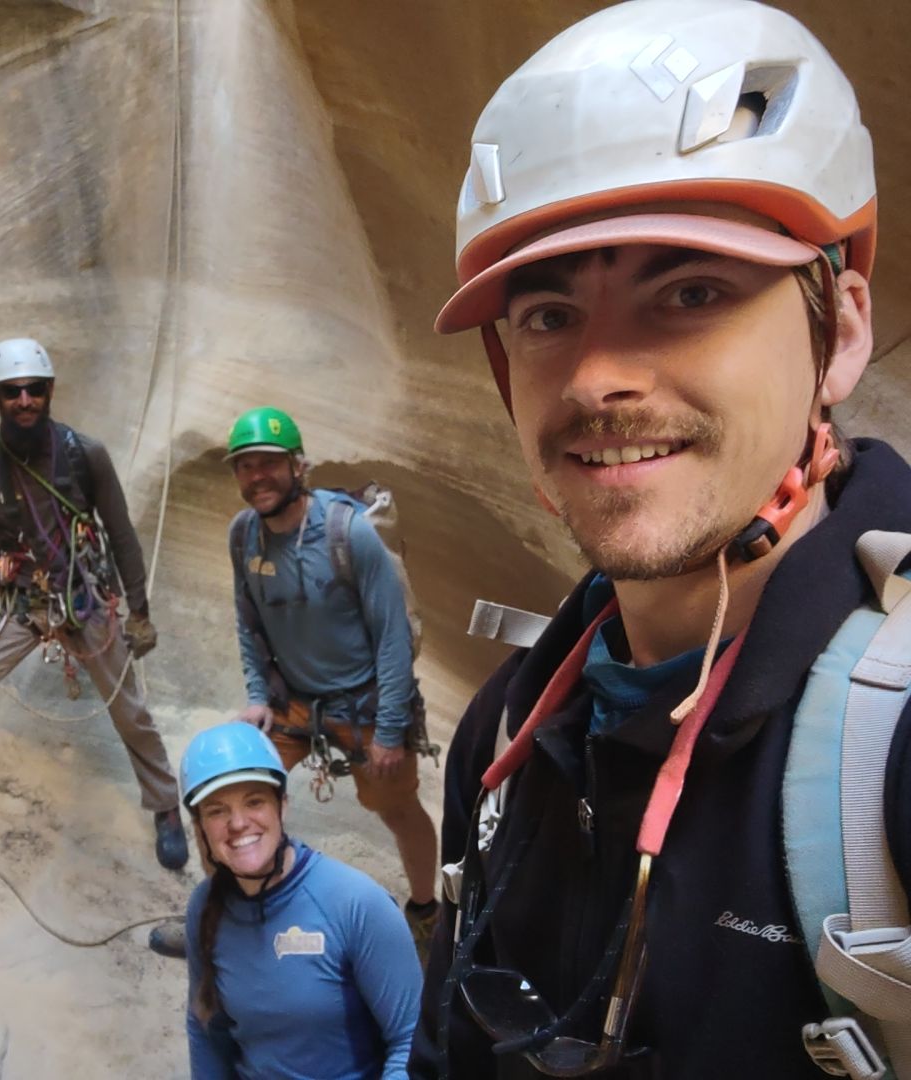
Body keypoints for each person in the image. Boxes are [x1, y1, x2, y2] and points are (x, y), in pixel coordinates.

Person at [408, 2, 911, 1078]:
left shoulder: (889, 752)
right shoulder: (501, 739)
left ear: (842, 329)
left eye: (688, 292)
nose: (595, 378)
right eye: (546, 315)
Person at [0, 337, 187, 870]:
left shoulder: (84, 455)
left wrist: (138, 612)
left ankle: (165, 806)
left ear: (50, 391)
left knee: (130, 711)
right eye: (12, 391)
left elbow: (120, 535)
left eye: (34, 389)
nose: (24, 399)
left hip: (84, 597)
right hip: (20, 604)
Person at [226, 406, 441, 958]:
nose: (256, 477)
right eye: (245, 466)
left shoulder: (349, 533)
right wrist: (256, 697)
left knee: (397, 810)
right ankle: (239, 907)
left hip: (365, 705)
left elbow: (392, 638)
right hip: (292, 702)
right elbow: (248, 621)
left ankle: (426, 911)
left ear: (297, 465)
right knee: (238, 794)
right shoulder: (243, 536)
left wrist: (391, 731)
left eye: (268, 463)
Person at [181, 722, 423, 1079]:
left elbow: (412, 1041)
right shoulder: (204, 908)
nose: (237, 823)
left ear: (283, 805)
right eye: (216, 810)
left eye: (254, 801)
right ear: (200, 826)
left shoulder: (356, 905)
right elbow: (203, 1025)